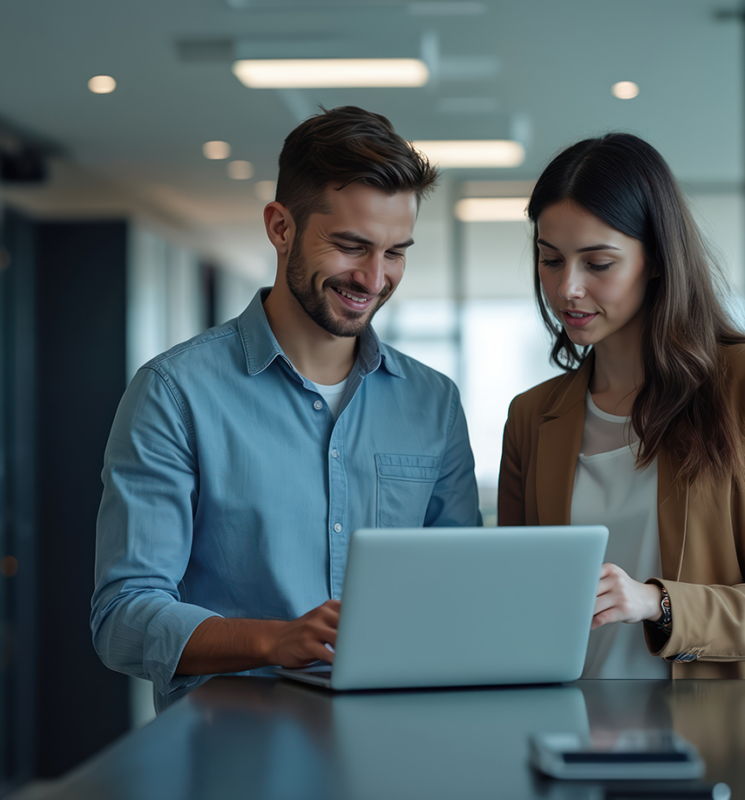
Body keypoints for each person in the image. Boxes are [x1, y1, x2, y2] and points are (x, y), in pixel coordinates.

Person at [91, 106, 480, 711]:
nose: (375, 278)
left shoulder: (433, 402)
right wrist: (279, 640)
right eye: (351, 246)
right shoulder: (174, 392)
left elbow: (459, 593)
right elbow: (123, 617)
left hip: (395, 746)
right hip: (233, 757)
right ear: (280, 227)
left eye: (396, 252)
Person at [498, 133, 745, 679]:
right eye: (550, 260)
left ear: (656, 260)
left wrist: (658, 604)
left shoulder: (735, 386)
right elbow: (514, 605)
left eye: (599, 263)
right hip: (567, 733)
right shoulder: (531, 418)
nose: (568, 289)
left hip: (706, 743)